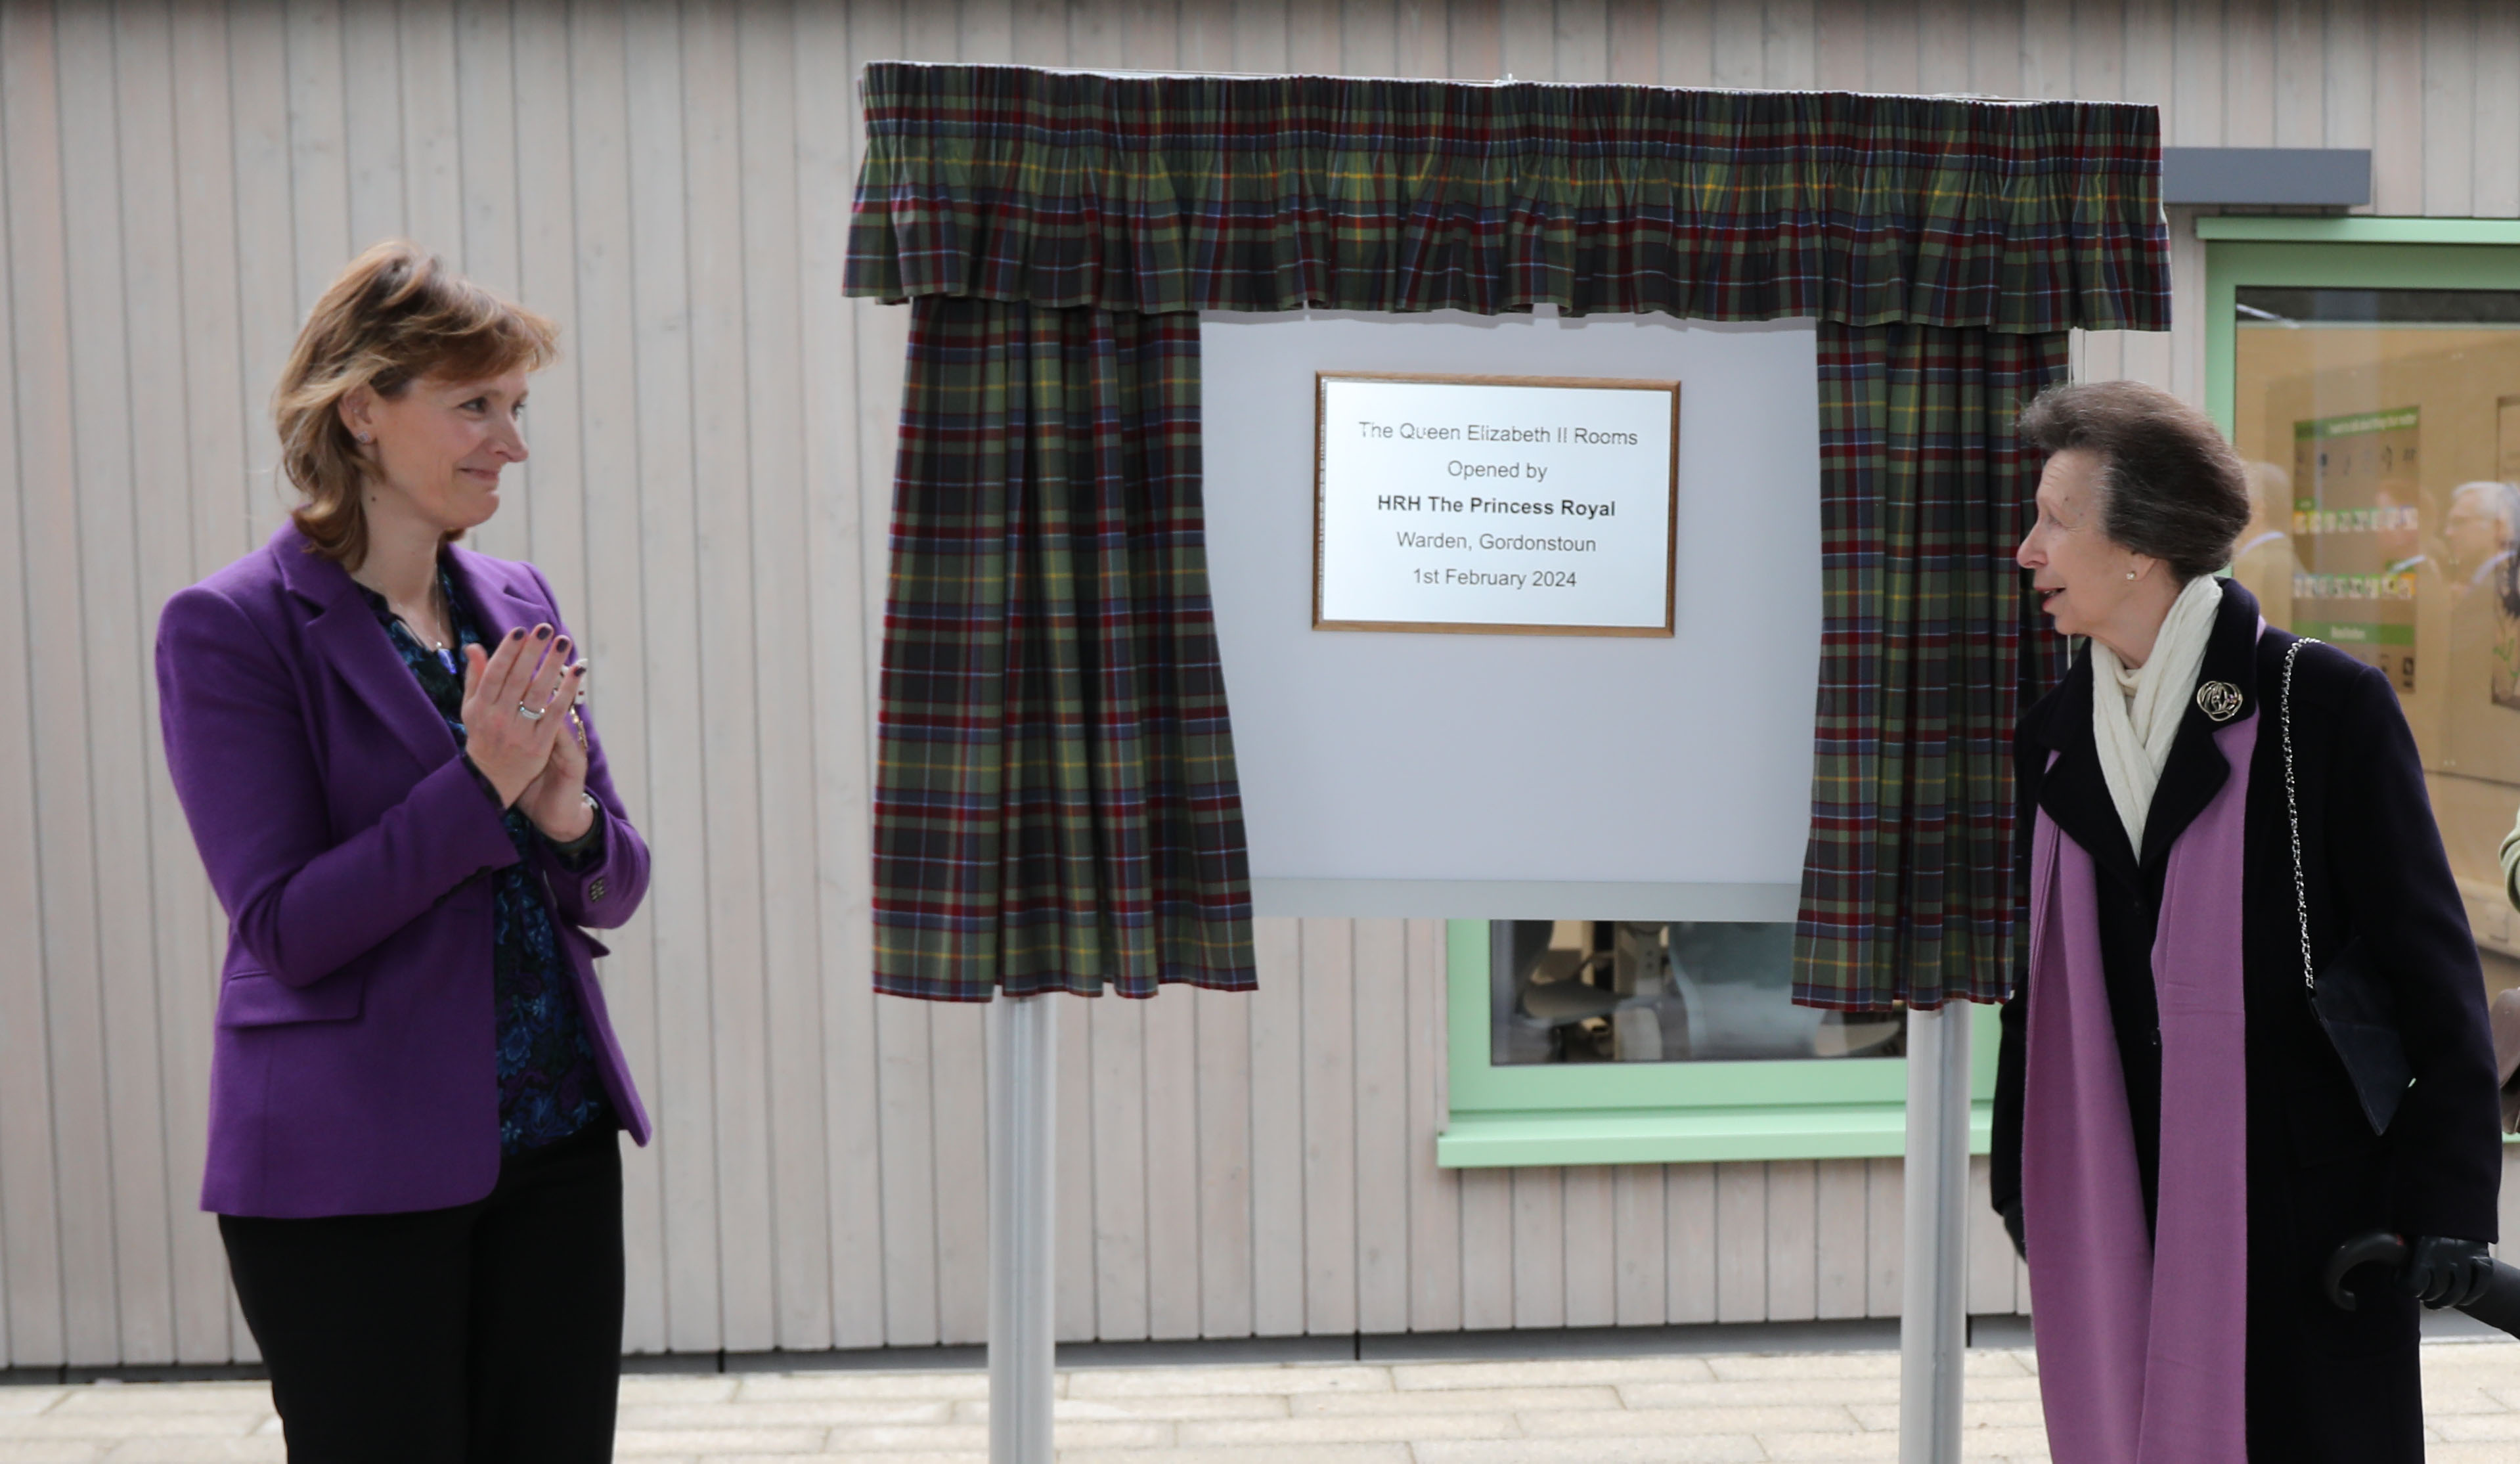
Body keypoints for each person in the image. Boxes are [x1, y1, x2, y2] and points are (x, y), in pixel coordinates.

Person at [156, 240, 652, 1463]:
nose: (510, 441)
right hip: (347, 1171)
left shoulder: (517, 597)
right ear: (363, 409)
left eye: (516, 406)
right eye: (474, 404)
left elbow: (616, 878)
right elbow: (287, 926)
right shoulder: (229, 629)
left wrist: (565, 822)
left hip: (554, 1143)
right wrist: (478, 782)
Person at [1990, 380, 2501, 1463]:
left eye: (2055, 518)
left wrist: (2450, 1200)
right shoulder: (2051, 739)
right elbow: (2038, 992)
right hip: (2118, 1187)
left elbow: (2432, 969)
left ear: (2142, 547)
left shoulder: (2317, 709)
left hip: (2307, 1214)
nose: (2028, 550)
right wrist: (2017, 1173)